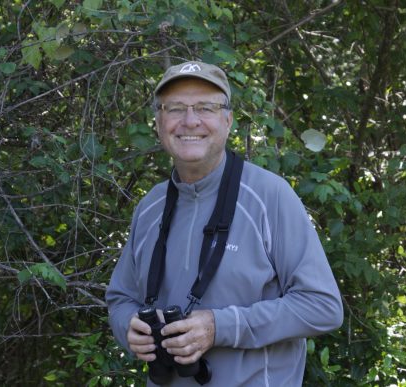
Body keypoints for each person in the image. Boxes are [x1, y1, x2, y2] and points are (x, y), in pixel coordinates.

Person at [105, 60, 343, 386]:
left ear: (228, 120)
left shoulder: (270, 196)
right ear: (158, 123)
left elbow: (323, 306)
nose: (190, 121)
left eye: (205, 107)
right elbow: (120, 299)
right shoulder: (150, 207)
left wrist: (220, 327)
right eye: (175, 108)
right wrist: (129, 326)